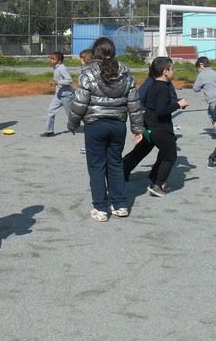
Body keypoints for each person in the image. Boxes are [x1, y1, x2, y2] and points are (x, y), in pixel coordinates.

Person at [67, 37, 144, 221]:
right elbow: (134, 103)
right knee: (115, 164)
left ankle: (100, 208)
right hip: (118, 125)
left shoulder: (88, 73)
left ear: (94, 54)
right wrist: (137, 128)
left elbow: (80, 101)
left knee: (96, 166)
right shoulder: (125, 72)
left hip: (96, 125)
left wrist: (73, 123)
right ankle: (120, 204)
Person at [126, 57, 188, 197]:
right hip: (160, 129)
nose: (173, 71)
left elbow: (153, 108)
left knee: (145, 151)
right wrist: (178, 104)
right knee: (170, 156)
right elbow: (161, 110)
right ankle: (158, 184)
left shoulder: (152, 85)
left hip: (150, 127)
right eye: (172, 69)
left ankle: (148, 177)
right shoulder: (163, 88)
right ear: (165, 71)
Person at [192, 57, 216, 135]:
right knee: (210, 113)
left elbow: (196, 89)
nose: (198, 70)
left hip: (213, 100)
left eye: (198, 68)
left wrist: (201, 84)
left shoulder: (201, 75)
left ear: (201, 66)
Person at [41, 51, 74, 137]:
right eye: (50, 58)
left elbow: (69, 81)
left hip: (67, 96)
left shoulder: (62, 68)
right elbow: (58, 80)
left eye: (53, 59)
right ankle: (49, 131)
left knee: (70, 114)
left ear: (59, 61)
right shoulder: (56, 68)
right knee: (50, 111)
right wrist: (53, 82)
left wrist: (58, 82)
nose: (51, 60)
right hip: (58, 95)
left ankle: (88, 124)